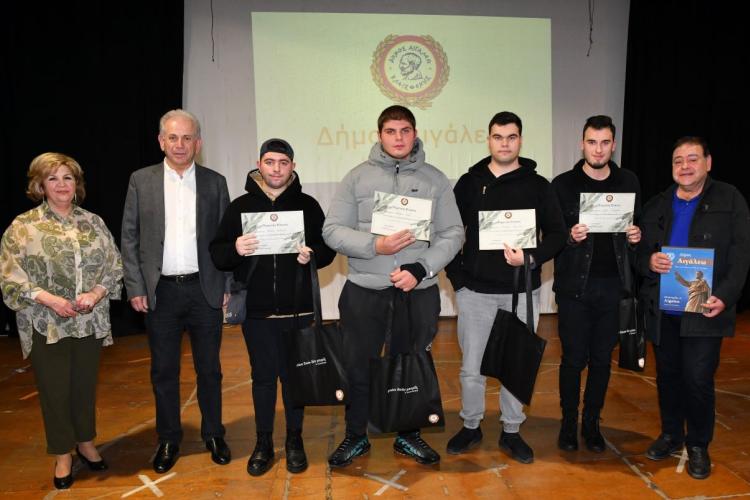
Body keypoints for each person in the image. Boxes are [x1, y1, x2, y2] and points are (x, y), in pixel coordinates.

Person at [323, 105, 464, 467]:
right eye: (391, 131)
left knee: (411, 365)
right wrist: (376, 246)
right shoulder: (357, 177)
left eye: (405, 131)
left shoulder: (435, 180)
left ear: (415, 134)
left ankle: (408, 435)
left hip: (417, 291)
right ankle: (356, 436)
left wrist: (421, 267)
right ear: (379, 135)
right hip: (365, 289)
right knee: (358, 365)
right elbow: (332, 230)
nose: (398, 138)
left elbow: (453, 233)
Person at [445, 111, 566, 464]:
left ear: (520, 141)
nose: (505, 143)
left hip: (521, 292)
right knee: (472, 368)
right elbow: (449, 233)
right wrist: (458, 279)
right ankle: (471, 425)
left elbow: (557, 234)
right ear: (489, 140)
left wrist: (530, 258)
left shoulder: (538, 185)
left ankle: (512, 430)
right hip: (475, 293)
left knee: (516, 364)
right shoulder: (469, 183)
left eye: (511, 137)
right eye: (498, 137)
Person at [210, 138, 335, 476]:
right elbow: (218, 253)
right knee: (263, 378)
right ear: (259, 165)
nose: (276, 169)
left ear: (293, 166)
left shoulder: (308, 205)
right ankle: (263, 442)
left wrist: (313, 254)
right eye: (270, 162)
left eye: (283, 162)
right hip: (258, 312)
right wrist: (235, 248)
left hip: (298, 310)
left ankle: (294, 439)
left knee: (295, 379)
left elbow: (328, 249)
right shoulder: (240, 207)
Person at [0, 152, 123, 489]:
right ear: (40, 185)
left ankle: (85, 442)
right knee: (55, 391)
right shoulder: (23, 227)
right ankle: (62, 453)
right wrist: (50, 299)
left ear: (76, 183)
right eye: (52, 178)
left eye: (67, 177)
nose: (61, 184)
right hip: (46, 322)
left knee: (84, 386)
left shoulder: (93, 223)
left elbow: (114, 266)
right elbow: (10, 277)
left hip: (88, 321)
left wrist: (96, 293)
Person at [121, 109, 231, 473]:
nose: (180, 144)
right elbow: (129, 236)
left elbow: (226, 239)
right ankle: (168, 439)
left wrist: (227, 283)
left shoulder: (215, 182)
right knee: (164, 372)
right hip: (161, 293)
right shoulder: (141, 180)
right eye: (173, 137)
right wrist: (135, 285)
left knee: (210, 370)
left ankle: (214, 433)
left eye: (187, 138)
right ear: (161, 141)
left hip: (204, 290)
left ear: (198, 143)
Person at [638, 136, 750, 479]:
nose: (684, 167)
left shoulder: (730, 199)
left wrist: (726, 296)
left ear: (708, 163)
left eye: (692, 159)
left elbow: (741, 254)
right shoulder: (657, 204)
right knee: (667, 377)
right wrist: (649, 261)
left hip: (705, 310)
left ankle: (698, 444)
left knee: (698, 379)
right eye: (678, 161)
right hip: (665, 310)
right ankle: (671, 434)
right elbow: (638, 252)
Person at [551, 115, 642, 453]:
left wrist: (636, 236)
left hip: (614, 287)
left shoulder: (629, 181)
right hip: (574, 288)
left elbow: (637, 228)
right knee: (573, 359)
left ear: (613, 145)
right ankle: (567, 423)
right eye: (592, 142)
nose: (598, 149)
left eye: (605, 143)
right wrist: (569, 236)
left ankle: (591, 424)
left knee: (602, 360)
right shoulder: (562, 184)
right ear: (582, 144)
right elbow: (551, 237)